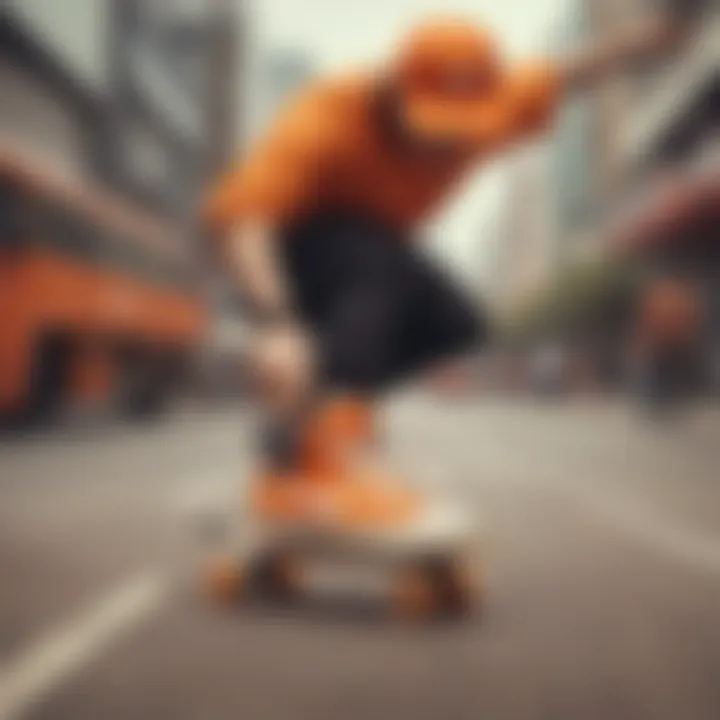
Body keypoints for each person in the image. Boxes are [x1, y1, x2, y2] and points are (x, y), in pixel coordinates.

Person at [205, 7, 693, 516]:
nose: (445, 144)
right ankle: (335, 448)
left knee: (457, 322)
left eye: (460, 129)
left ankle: (304, 424)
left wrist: (643, 43)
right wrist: (277, 323)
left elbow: (564, 75)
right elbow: (246, 221)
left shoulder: (497, 101)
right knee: (370, 259)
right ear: (393, 90)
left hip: (376, 258)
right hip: (291, 253)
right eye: (431, 126)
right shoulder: (329, 113)